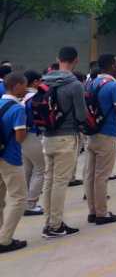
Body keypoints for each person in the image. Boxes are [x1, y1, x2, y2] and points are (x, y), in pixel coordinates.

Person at [41, 46, 86, 238]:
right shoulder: (75, 84)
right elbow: (81, 114)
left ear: (57, 58)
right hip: (67, 137)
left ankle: (49, 221)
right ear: (75, 60)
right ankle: (56, 225)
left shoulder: (44, 81)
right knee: (60, 182)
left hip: (47, 136)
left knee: (49, 181)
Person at [84, 54, 116, 225]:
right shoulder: (113, 86)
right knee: (102, 175)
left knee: (90, 174)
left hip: (91, 132)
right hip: (107, 132)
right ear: (112, 66)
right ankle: (102, 213)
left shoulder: (91, 83)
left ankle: (92, 211)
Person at [0, 72, 28, 253]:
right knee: (18, 198)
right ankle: (4, 240)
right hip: (10, 157)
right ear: (16, 86)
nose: (25, 89)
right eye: (24, 85)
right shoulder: (18, 109)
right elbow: (19, 137)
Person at [21, 70, 45, 216]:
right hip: (33, 135)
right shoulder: (35, 97)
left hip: (21, 136)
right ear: (35, 82)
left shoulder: (20, 97)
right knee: (40, 169)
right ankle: (31, 203)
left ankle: (24, 202)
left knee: (27, 169)